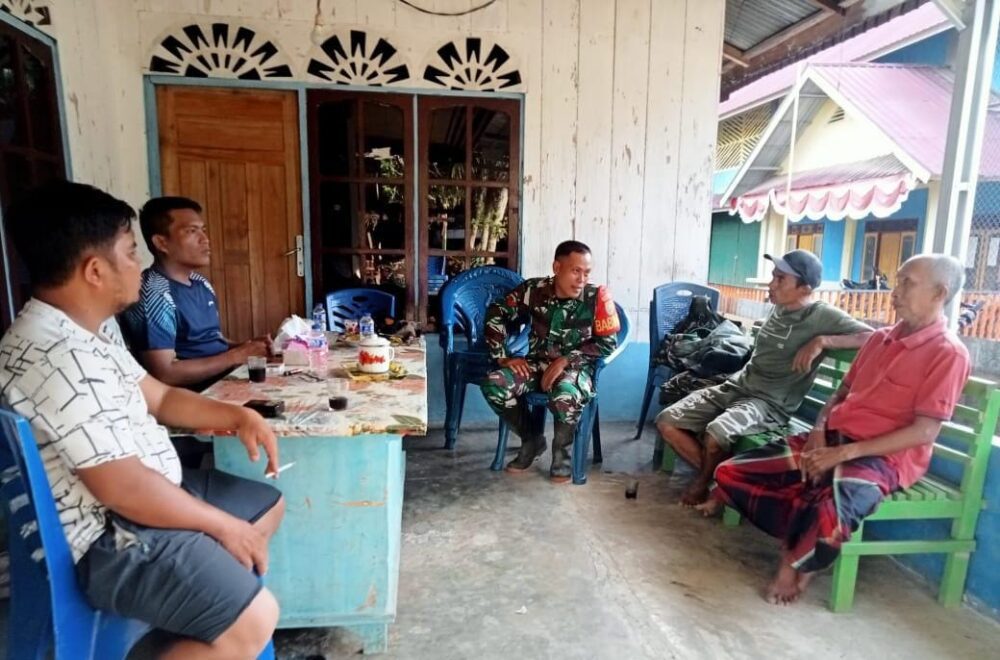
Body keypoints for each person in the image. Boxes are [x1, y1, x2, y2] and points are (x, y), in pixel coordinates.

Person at [0, 181, 285, 659]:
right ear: (95, 270)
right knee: (256, 617)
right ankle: (225, 629)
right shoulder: (56, 358)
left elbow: (161, 396)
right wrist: (220, 526)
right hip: (110, 534)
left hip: (145, 492)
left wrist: (236, 415)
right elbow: (123, 488)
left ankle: (199, 617)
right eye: (131, 252)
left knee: (266, 506)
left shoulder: (89, 327)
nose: (140, 265)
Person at [705, 254, 971, 605]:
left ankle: (793, 561)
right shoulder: (879, 339)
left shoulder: (948, 353)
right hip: (831, 439)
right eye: (897, 281)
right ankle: (805, 526)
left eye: (907, 283)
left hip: (883, 458)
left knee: (831, 510)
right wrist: (819, 430)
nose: (895, 292)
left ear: (939, 293)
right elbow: (841, 393)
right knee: (731, 473)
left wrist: (842, 454)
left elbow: (924, 432)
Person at [656, 250, 872, 505]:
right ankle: (726, 483)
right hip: (737, 386)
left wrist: (823, 340)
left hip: (768, 403)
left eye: (781, 279)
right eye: (773, 276)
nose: (772, 284)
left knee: (715, 435)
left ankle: (703, 484)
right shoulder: (778, 308)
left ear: (805, 288)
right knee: (667, 421)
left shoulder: (820, 315)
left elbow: (875, 336)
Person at [480, 240, 620, 483]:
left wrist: (567, 359)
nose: (582, 279)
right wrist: (502, 356)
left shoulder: (596, 297)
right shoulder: (533, 290)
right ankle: (532, 440)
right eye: (575, 271)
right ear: (557, 267)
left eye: (587, 273)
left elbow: (608, 343)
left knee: (565, 394)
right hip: (536, 365)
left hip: (577, 370)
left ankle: (561, 457)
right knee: (494, 384)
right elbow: (496, 312)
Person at [121, 196, 269, 390]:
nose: (205, 239)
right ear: (161, 242)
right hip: (194, 394)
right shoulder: (154, 294)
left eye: (203, 230)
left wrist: (246, 347)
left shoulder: (201, 283)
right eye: (191, 231)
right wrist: (235, 356)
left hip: (223, 381)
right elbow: (165, 374)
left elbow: (210, 341)